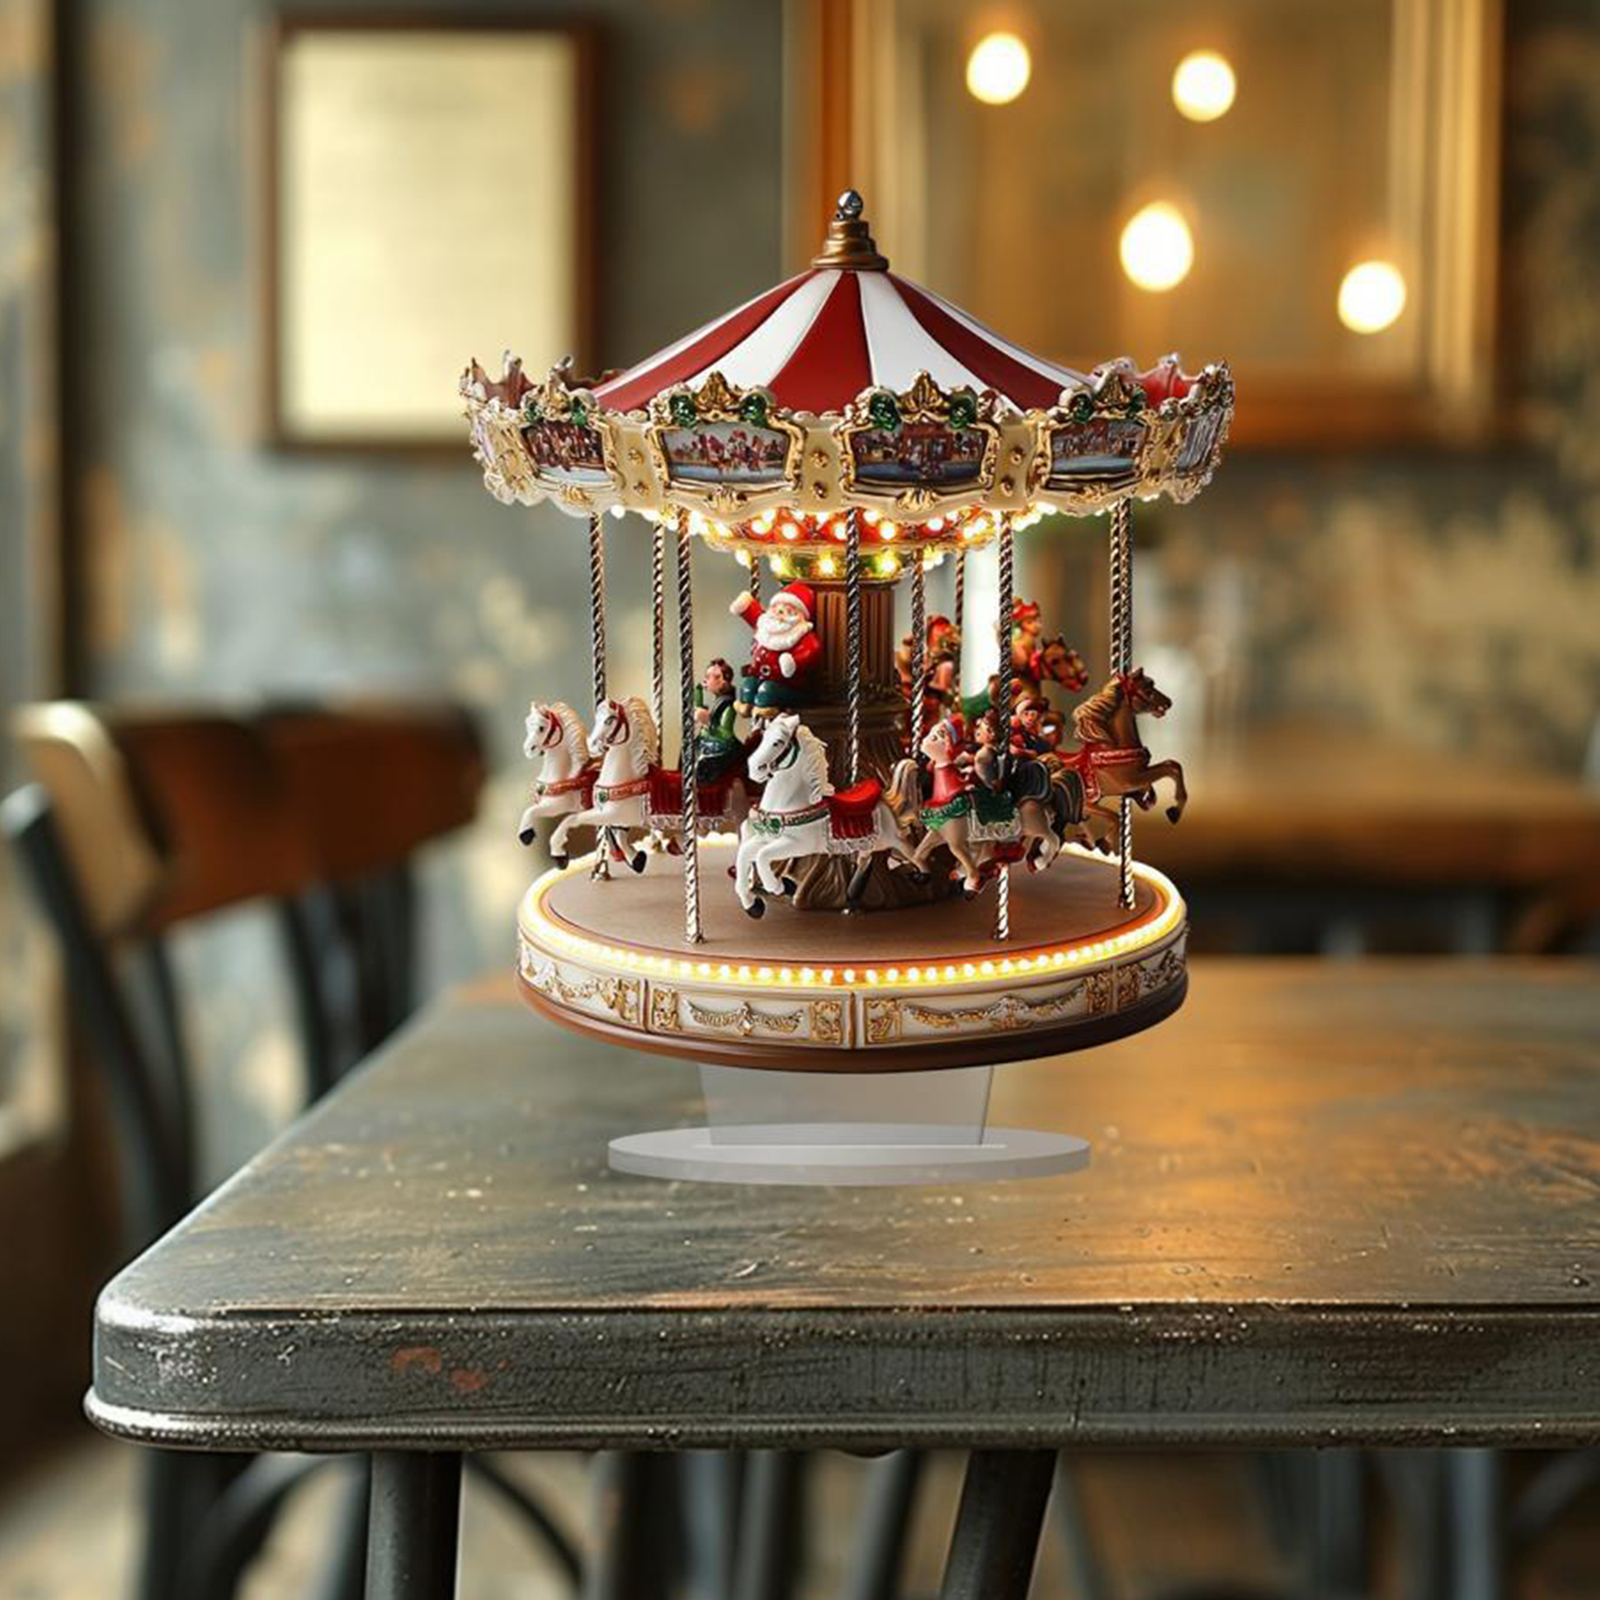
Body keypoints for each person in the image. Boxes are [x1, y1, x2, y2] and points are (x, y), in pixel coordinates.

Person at [730, 580, 822, 713]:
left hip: (787, 684)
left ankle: (765, 706)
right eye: (776, 608)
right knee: (748, 685)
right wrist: (745, 604)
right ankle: (745, 704)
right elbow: (754, 614)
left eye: (788, 611)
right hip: (759, 675)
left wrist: (792, 661)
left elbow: (812, 650)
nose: (779, 614)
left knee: (768, 690)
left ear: (800, 616)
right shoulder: (765, 624)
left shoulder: (801, 634)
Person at [692, 657, 740, 783]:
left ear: (722, 681)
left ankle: (701, 788)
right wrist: (698, 691)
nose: (705, 680)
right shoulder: (717, 701)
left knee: (702, 764)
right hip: (707, 741)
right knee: (687, 751)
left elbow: (726, 734)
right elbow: (699, 709)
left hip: (722, 747)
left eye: (709, 677)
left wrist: (708, 722)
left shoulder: (728, 706)